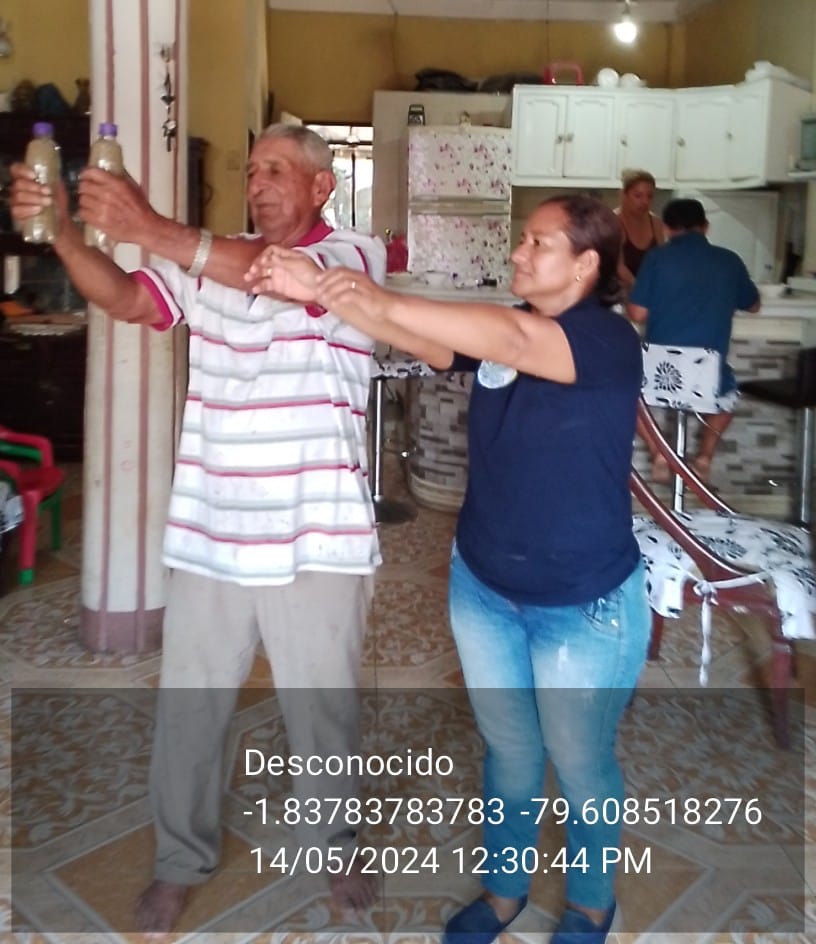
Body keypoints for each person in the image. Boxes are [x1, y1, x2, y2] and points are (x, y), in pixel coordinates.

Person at [10, 123, 387, 933]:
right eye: (252, 171)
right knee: (191, 706)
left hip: (320, 535)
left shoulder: (353, 259)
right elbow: (125, 298)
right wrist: (66, 235)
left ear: (322, 186)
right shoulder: (210, 261)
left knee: (322, 709)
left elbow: (271, 275)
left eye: (276, 169)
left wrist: (148, 226)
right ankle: (180, 859)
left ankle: (335, 847)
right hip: (213, 530)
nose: (258, 183)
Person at [246, 193, 651, 944]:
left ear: (586, 264)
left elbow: (513, 340)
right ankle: (504, 892)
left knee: (579, 761)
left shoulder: (606, 340)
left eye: (538, 243)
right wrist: (329, 295)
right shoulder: (512, 327)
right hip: (485, 586)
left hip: (582, 602)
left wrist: (354, 287)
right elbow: (427, 342)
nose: (519, 252)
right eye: (522, 239)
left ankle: (592, 905)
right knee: (510, 751)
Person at [627, 196, 760, 483]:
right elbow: (753, 305)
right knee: (728, 399)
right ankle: (703, 457)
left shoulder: (657, 258)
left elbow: (637, 313)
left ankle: (659, 453)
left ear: (666, 228)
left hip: (660, 373)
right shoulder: (729, 260)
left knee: (626, 396)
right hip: (706, 374)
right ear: (705, 226)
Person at [614, 169, 665, 293]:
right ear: (623, 195)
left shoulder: (656, 223)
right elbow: (617, 266)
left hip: (647, 293)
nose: (645, 201)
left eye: (649, 196)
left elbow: (661, 261)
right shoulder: (613, 222)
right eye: (638, 195)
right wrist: (640, 288)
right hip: (618, 294)